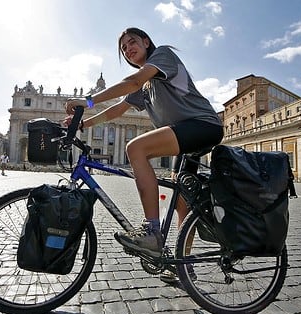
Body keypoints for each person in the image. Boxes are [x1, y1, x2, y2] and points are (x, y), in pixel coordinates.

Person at [65, 27, 224, 274]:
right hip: (187, 135)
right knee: (182, 203)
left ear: (146, 41)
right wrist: (85, 123)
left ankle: (152, 232)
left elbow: (133, 81)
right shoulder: (146, 83)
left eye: (132, 42)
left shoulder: (161, 57)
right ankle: (184, 266)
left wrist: (88, 101)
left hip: (203, 125)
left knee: (135, 148)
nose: (128, 49)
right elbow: (117, 110)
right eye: (123, 48)